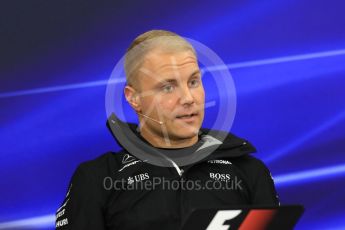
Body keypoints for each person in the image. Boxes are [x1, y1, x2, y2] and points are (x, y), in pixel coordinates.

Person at [55, 30, 279, 230]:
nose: (188, 98)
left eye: (193, 82)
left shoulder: (249, 171)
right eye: (168, 87)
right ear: (134, 98)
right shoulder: (97, 178)